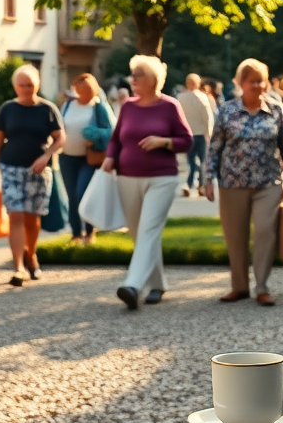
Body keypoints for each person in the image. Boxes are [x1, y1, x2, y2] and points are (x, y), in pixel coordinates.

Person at [103, 56, 194, 310]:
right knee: (139, 234)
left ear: (153, 79)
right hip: (127, 177)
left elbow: (186, 140)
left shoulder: (170, 106)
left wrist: (163, 141)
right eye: (132, 74)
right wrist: (110, 157)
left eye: (138, 74)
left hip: (162, 178)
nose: (132, 79)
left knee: (149, 230)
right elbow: (116, 139)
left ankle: (132, 285)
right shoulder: (128, 107)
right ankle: (157, 285)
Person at [205, 58, 283, 306]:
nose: (257, 85)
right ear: (241, 83)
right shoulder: (227, 111)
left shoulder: (276, 110)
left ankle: (262, 287)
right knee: (235, 237)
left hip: (268, 183)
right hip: (232, 183)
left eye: (261, 81)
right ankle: (239, 287)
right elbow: (215, 147)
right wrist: (208, 178)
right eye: (252, 81)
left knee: (265, 232)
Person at [0, 64, 64, 286]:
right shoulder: (7, 109)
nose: (25, 89)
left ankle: (32, 256)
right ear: (15, 86)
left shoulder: (47, 109)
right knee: (16, 215)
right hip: (11, 168)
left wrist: (47, 155)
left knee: (32, 218)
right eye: (21, 85)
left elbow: (60, 138)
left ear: (37, 85)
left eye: (29, 84)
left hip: (38, 172)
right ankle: (18, 267)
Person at [60, 73, 115, 245]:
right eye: (82, 91)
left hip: (89, 159)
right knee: (72, 196)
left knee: (82, 193)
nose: (86, 94)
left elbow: (111, 130)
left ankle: (90, 231)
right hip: (67, 158)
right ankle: (76, 234)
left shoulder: (99, 107)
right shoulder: (68, 106)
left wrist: (95, 137)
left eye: (89, 91)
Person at [177, 73, 215, 197]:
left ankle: (189, 184)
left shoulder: (180, 98)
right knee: (203, 161)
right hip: (201, 133)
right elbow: (207, 116)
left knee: (191, 161)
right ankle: (201, 186)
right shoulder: (202, 97)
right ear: (198, 83)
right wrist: (209, 132)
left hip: (187, 133)